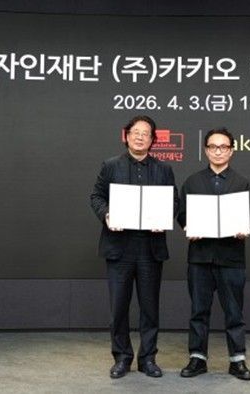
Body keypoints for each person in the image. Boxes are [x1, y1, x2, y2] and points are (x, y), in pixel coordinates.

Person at [90, 115, 178, 379]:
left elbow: (174, 201)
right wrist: (107, 215)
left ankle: (148, 358)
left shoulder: (164, 170)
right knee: (119, 308)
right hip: (119, 248)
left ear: (153, 140)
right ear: (126, 136)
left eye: (146, 133)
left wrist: (164, 219)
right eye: (135, 132)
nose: (140, 137)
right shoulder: (111, 166)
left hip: (150, 248)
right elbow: (96, 196)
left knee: (150, 308)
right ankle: (122, 357)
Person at [177, 127, 250, 381]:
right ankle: (197, 359)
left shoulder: (243, 183)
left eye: (223, 147)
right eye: (213, 147)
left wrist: (247, 228)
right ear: (206, 150)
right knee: (198, 311)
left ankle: (237, 360)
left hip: (232, 258)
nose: (218, 151)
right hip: (200, 258)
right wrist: (187, 226)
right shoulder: (192, 182)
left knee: (234, 313)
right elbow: (182, 214)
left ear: (231, 151)